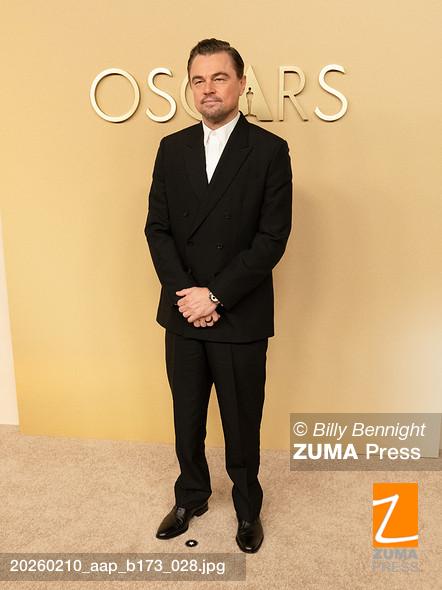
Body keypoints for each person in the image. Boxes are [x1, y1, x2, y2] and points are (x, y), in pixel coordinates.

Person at [144, 38, 292, 553]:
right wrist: (187, 295)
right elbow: (157, 229)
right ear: (190, 88)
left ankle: (248, 508)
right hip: (183, 309)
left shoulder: (269, 150)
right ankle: (191, 496)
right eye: (198, 80)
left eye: (219, 77)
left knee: (241, 419)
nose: (208, 89)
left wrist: (216, 296)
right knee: (186, 416)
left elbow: (271, 239)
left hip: (238, 312)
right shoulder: (172, 148)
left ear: (241, 84)